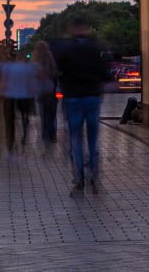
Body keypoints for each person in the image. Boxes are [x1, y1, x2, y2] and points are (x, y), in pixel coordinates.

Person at [50, 15, 111, 195]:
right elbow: (104, 72)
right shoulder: (95, 49)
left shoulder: (66, 50)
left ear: (73, 29)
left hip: (73, 98)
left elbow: (58, 72)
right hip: (92, 97)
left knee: (76, 139)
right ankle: (94, 175)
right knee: (93, 139)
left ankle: (79, 179)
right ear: (86, 28)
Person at [0, 41, 39, 150]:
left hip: (10, 96)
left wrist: (1, 94)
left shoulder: (7, 67)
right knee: (25, 117)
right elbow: (31, 83)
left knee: (10, 120)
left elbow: (3, 83)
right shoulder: (26, 68)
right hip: (24, 96)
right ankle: (24, 135)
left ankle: (10, 141)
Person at [32, 37, 59, 144]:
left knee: (44, 114)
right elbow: (55, 72)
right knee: (52, 114)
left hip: (41, 91)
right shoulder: (51, 58)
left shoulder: (36, 60)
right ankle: (53, 135)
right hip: (51, 90)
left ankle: (45, 134)